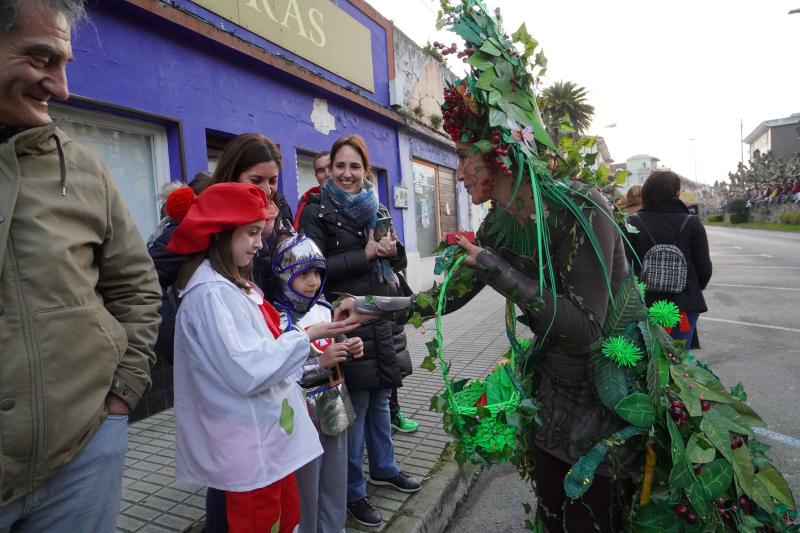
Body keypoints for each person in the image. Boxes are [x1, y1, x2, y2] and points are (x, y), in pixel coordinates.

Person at [335, 3, 796, 531]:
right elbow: (444, 298)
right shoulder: (497, 227)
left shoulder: (581, 210)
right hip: (552, 398)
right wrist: (367, 306)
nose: (457, 170)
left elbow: (587, 328)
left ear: (500, 152)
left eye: (464, 155)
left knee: (591, 520)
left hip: (610, 401)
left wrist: (495, 269)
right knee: (553, 515)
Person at [0, 1, 162, 531]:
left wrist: (119, 402)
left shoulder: (86, 167)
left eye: (64, 62)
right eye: (41, 58)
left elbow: (137, 286)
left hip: (82, 458)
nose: (61, 86)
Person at [166, 182, 358, 533]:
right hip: (249, 447)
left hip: (268, 440)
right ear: (222, 234)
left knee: (283, 518)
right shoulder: (210, 294)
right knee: (259, 520)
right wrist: (308, 336)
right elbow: (248, 368)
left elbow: (266, 345)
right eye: (252, 233)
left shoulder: (231, 284)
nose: (259, 243)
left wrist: (319, 332)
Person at [147, 133, 289, 531]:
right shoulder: (197, 216)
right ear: (231, 172)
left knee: (254, 469)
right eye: (255, 179)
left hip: (254, 358)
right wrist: (184, 339)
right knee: (229, 476)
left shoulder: (271, 215)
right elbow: (143, 283)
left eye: (273, 181)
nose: (265, 190)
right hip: (220, 364)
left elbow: (268, 278)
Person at [299, 135, 421, 527]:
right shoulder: (316, 211)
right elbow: (313, 270)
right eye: (340, 166)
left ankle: (384, 467)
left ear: (365, 170)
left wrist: (392, 250)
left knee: (382, 398)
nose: (348, 174)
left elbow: (398, 260)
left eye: (355, 167)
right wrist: (365, 254)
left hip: (381, 315)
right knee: (355, 408)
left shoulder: (377, 205)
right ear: (329, 170)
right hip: (347, 318)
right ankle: (353, 492)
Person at [270, 228, 365, 533]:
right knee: (306, 487)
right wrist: (319, 363)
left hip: (336, 403)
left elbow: (336, 344)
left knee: (336, 480)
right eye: (303, 274)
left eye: (317, 273)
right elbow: (279, 373)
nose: (313, 281)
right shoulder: (278, 320)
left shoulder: (324, 309)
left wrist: (350, 346)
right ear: (285, 276)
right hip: (301, 414)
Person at [626, 170, 712, 345]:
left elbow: (625, 265)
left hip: (642, 305)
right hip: (683, 306)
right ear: (677, 193)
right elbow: (704, 269)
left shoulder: (632, 223)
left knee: (644, 362)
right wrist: (689, 287)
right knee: (678, 363)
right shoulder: (692, 223)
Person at [293, 150, 330, 229]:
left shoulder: (358, 197)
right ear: (316, 177)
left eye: (331, 167)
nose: (327, 174)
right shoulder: (306, 205)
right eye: (321, 170)